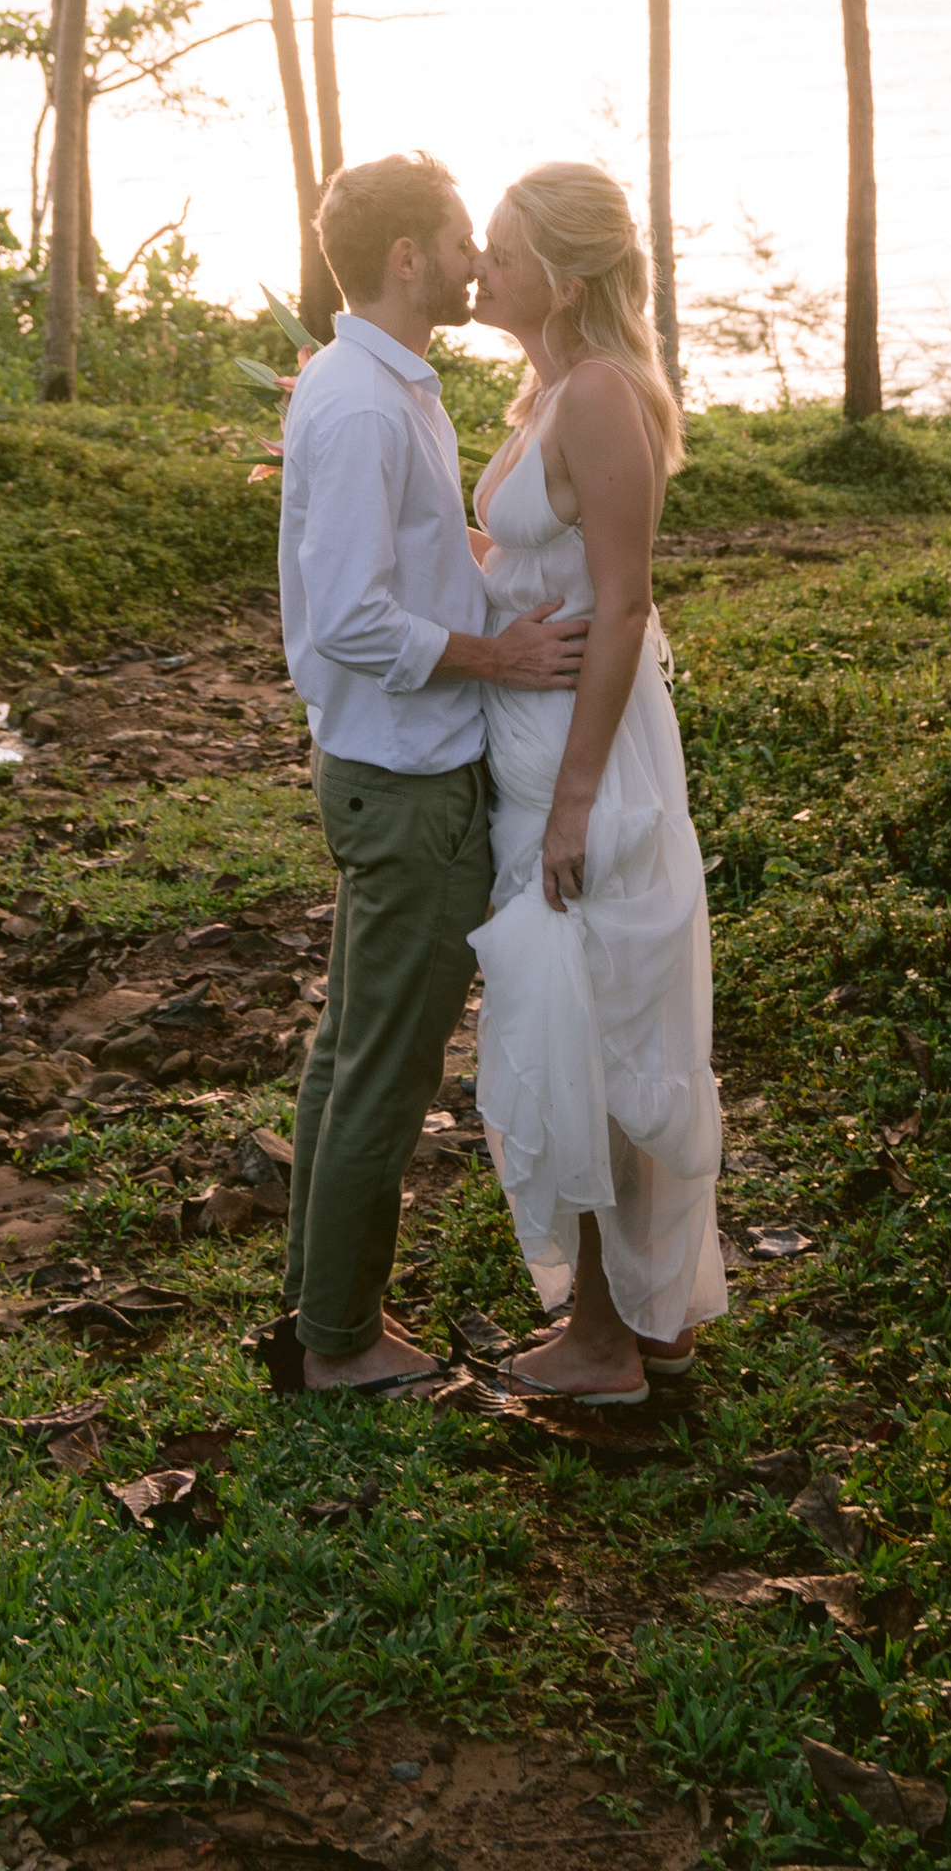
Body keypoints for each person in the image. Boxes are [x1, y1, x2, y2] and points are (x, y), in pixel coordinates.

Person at [274, 148, 588, 1394]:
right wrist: (495, 655)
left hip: (385, 766)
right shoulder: (358, 401)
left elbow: (379, 564)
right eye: (461, 239)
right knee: (386, 1069)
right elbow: (349, 617)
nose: (474, 260)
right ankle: (342, 1343)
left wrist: (467, 557)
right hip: (403, 779)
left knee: (347, 1052)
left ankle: (315, 1308)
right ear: (408, 256)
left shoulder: (379, 382)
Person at [467, 160, 726, 1401]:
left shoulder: (599, 396)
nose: (478, 262)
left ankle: (605, 1343)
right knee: (576, 1015)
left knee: (596, 1028)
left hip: (589, 759)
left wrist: (573, 800)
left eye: (502, 250)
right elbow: (538, 563)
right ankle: (645, 1318)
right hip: (536, 747)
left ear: (560, 278)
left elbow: (622, 605)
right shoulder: (548, 391)